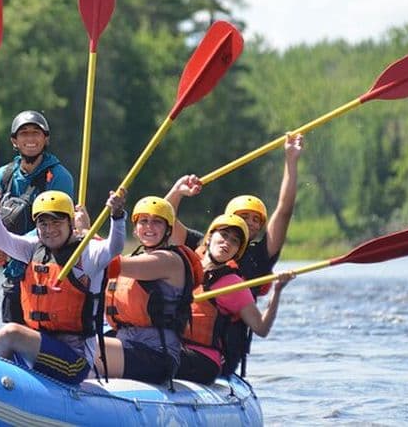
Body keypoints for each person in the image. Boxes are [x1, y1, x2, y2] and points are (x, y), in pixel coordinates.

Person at [167, 133, 303, 375]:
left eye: (255, 220)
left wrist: (290, 161)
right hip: (180, 339)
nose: (249, 223)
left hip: (221, 350)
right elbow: (163, 221)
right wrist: (178, 192)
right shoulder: (204, 243)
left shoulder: (260, 255)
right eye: (243, 217)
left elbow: (284, 211)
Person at [0, 188, 126, 385]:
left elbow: (114, 247)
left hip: (74, 361)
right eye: (43, 223)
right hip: (42, 346)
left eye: (57, 222)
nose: (49, 230)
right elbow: (1, 239)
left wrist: (117, 217)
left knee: (10, 333)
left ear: (71, 222)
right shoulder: (33, 248)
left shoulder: (87, 254)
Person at [175, 214, 294, 385]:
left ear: (237, 251)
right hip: (174, 348)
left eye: (235, 241)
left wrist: (277, 291)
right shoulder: (183, 267)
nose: (227, 243)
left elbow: (261, 328)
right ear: (209, 238)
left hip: (205, 359)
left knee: (160, 357)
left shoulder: (234, 285)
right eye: (223, 235)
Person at [97, 197, 202, 385]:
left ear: (168, 229)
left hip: (157, 355)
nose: (149, 227)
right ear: (136, 229)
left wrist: (83, 238)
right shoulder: (133, 258)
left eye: (157, 222)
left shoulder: (169, 261)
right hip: (125, 343)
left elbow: (109, 263)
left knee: (87, 347)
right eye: (143, 221)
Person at [0, 110, 75, 325]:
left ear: (46, 139)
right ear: (14, 141)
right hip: (14, 272)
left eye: (36, 133)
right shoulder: (1, 175)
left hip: (48, 266)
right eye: (24, 134)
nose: (30, 139)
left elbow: (56, 225)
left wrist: (8, 246)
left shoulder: (59, 176)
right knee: (12, 332)